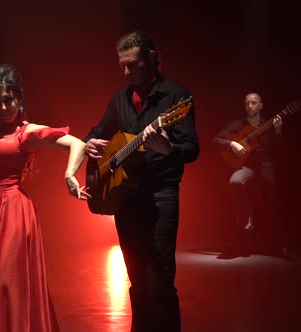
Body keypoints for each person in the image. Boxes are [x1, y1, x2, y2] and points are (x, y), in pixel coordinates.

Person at [83, 30, 199, 331]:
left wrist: (168, 148)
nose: (125, 71)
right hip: (126, 198)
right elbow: (98, 131)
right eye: (122, 65)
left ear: (151, 58)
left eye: (132, 65)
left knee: (160, 280)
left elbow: (192, 149)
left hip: (161, 195)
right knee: (135, 280)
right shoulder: (119, 98)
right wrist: (91, 142)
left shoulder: (177, 96)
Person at [0, 64, 89, 332]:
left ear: (19, 99)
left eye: (9, 100)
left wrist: (69, 175)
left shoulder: (27, 132)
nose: (4, 107)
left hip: (14, 212)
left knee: (2, 286)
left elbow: (78, 144)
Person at [214, 92, 291, 260]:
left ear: (261, 105)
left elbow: (280, 150)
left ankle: (278, 246)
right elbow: (216, 139)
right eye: (247, 103)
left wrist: (278, 131)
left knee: (273, 200)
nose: (250, 106)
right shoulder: (238, 124)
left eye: (254, 103)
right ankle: (247, 216)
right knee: (235, 181)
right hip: (247, 166)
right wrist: (232, 142)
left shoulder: (267, 123)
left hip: (264, 165)